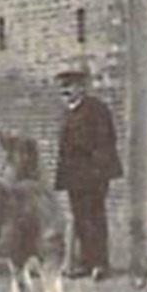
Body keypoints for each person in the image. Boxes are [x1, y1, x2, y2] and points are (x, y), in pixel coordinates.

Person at [53, 65, 121, 280]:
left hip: (94, 174)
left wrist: (97, 171)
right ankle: (86, 262)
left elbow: (105, 140)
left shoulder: (97, 109)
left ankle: (101, 264)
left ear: (82, 87)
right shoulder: (67, 113)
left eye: (70, 86)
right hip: (75, 176)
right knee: (81, 218)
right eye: (62, 88)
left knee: (95, 216)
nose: (65, 91)